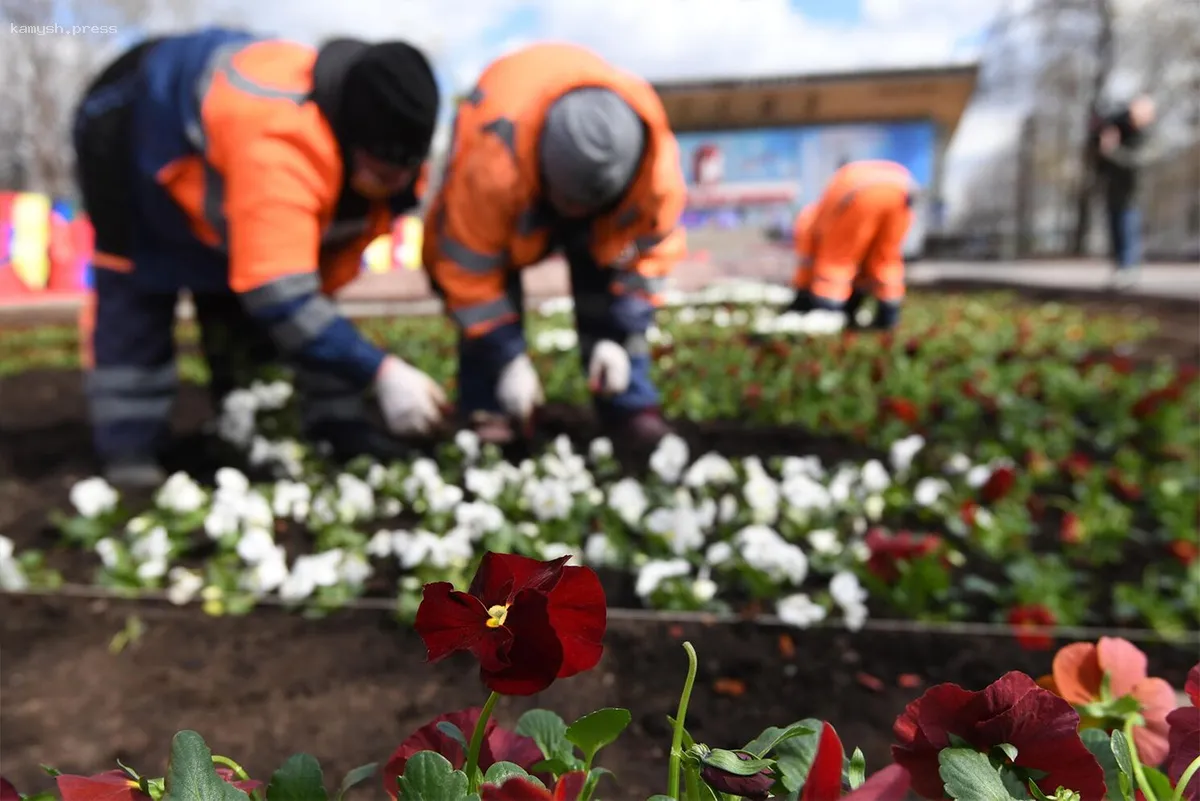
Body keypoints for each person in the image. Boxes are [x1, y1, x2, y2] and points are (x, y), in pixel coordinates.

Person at [72, 27, 449, 488]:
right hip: (129, 123)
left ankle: (276, 428)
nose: (394, 185)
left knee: (242, 316)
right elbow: (282, 297)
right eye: (383, 172)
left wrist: (342, 420)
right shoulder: (280, 143)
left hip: (215, 165)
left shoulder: (391, 145)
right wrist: (381, 371)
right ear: (350, 143)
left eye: (402, 173)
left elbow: (314, 300)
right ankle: (130, 448)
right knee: (137, 296)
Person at [421, 42, 687, 446]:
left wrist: (621, 336)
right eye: (569, 203)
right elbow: (471, 277)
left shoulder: (655, 175)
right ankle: (489, 413)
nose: (575, 215)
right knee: (492, 299)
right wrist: (507, 358)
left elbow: (643, 258)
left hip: (608, 226)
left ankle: (630, 409)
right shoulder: (491, 168)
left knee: (609, 271)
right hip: (507, 200)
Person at [784, 160, 917, 330]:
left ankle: (828, 313)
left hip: (857, 193)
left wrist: (802, 295)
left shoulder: (808, 220)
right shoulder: (831, 198)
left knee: (837, 260)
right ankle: (888, 316)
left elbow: (807, 260)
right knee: (885, 259)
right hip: (901, 190)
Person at [1093, 94, 1157, 290]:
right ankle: (1121, 269)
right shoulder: (1119, 129)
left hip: (1133, 196)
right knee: (1115, 232)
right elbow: (1100, 164)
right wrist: (1101, 143)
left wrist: (1112, 150)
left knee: (1128, 230)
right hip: (1113, 192)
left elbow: (1135, 163)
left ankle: (1130, 270)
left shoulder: (1149, 137)